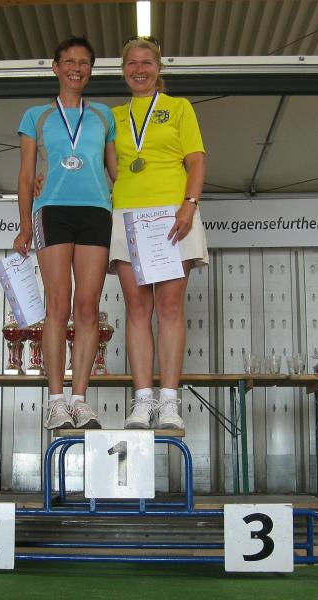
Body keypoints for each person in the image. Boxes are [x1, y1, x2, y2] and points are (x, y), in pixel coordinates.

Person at [13, 36, 117, 430]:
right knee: (58, 304)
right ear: (55, 67)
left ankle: (80, 399)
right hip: (52, 210)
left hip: (96, 211)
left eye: (84, 62)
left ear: (91, 70)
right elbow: (26, 174)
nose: (77, 68)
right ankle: (56, 401)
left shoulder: (103, 115)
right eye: (69, 61)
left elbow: (115, 171)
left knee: (88, 307)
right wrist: (25, 225)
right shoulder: (36, 116)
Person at [110, 37, 207, 430]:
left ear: (159, 67)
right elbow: (101, 166)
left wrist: (189, 204)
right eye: (132, 63)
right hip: (128, 215)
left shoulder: (179, 107)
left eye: (146, 62)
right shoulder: (112, 116)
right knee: (136, 310)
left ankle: (168, 402)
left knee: (169, 308)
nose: (139, 69)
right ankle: (142, 402)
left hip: (172, 214)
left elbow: (196, 161)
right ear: (123, 71)